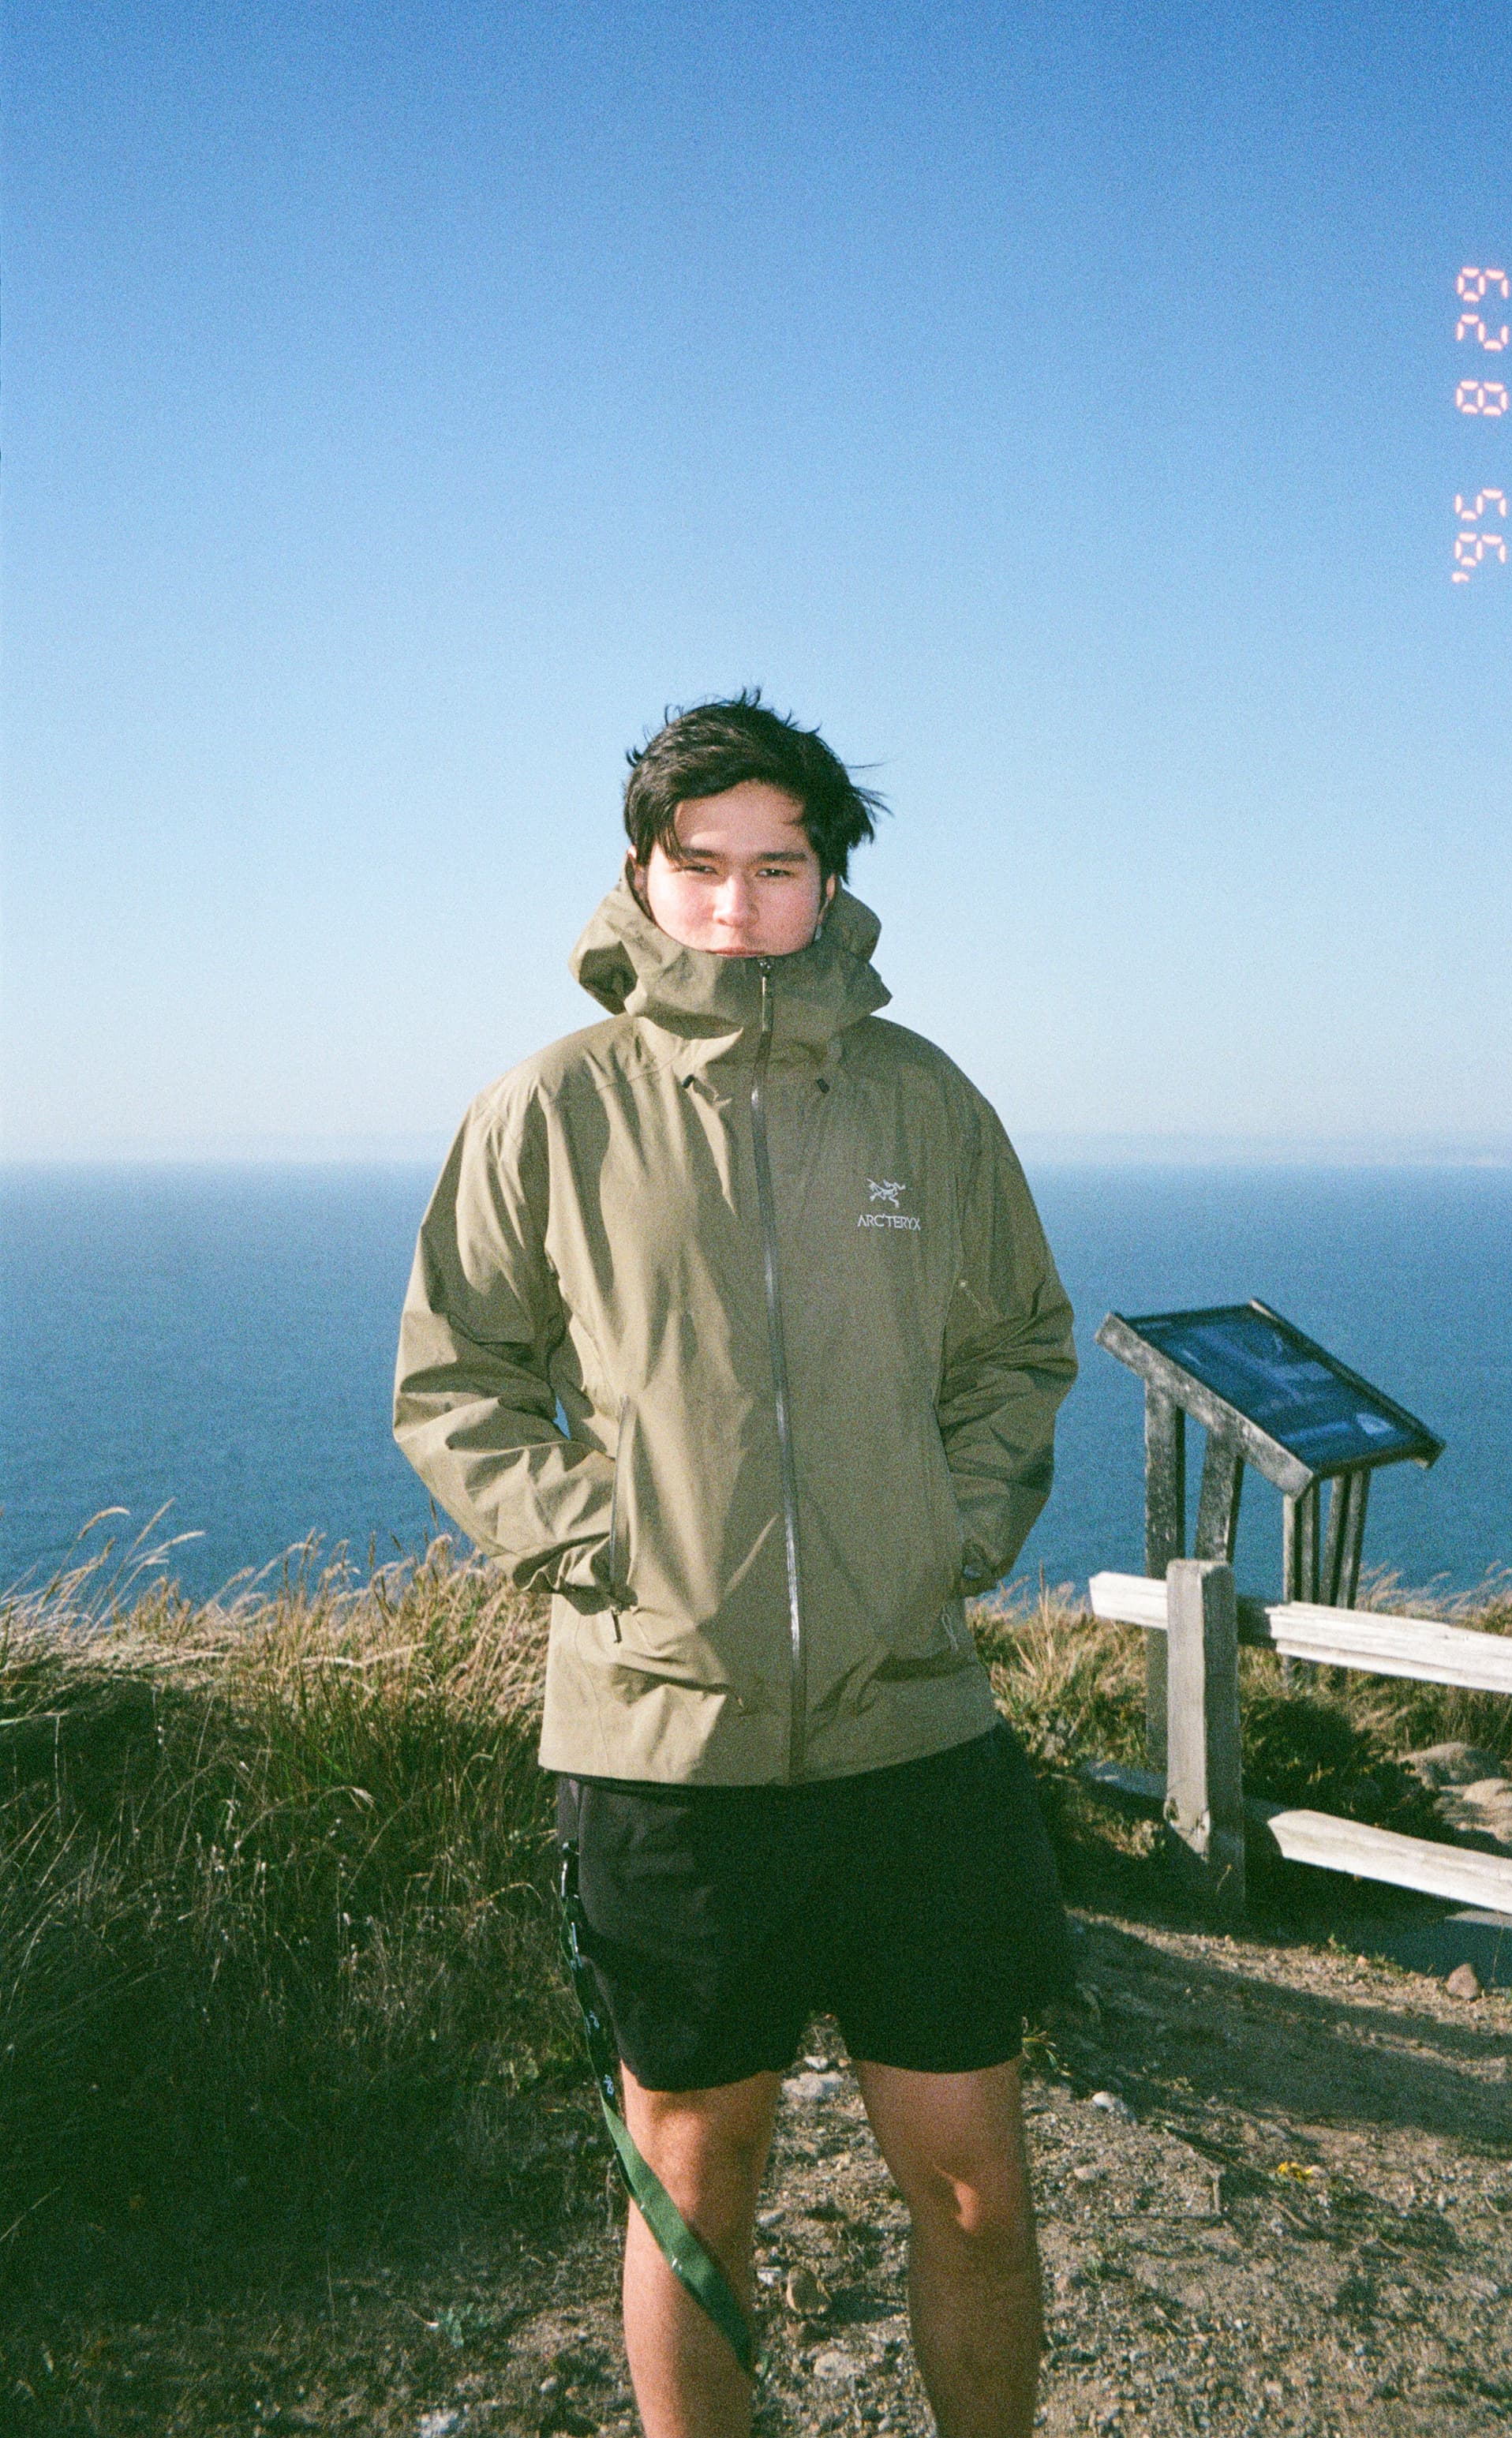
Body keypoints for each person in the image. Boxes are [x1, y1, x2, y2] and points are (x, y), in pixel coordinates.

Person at [394, 694, 1078, 2438]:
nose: (733, 904)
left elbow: (1018, 1349)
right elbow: (453, 1378)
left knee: (978, 2190)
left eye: (776, 867)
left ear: (825, 879)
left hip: (913, 1736)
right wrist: (602, 1550)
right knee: (695, 2195)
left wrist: (954, 1533)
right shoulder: (549, 1111)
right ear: (642, 871)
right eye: (698, 865)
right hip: (661, 1753)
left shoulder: (926, 1104)